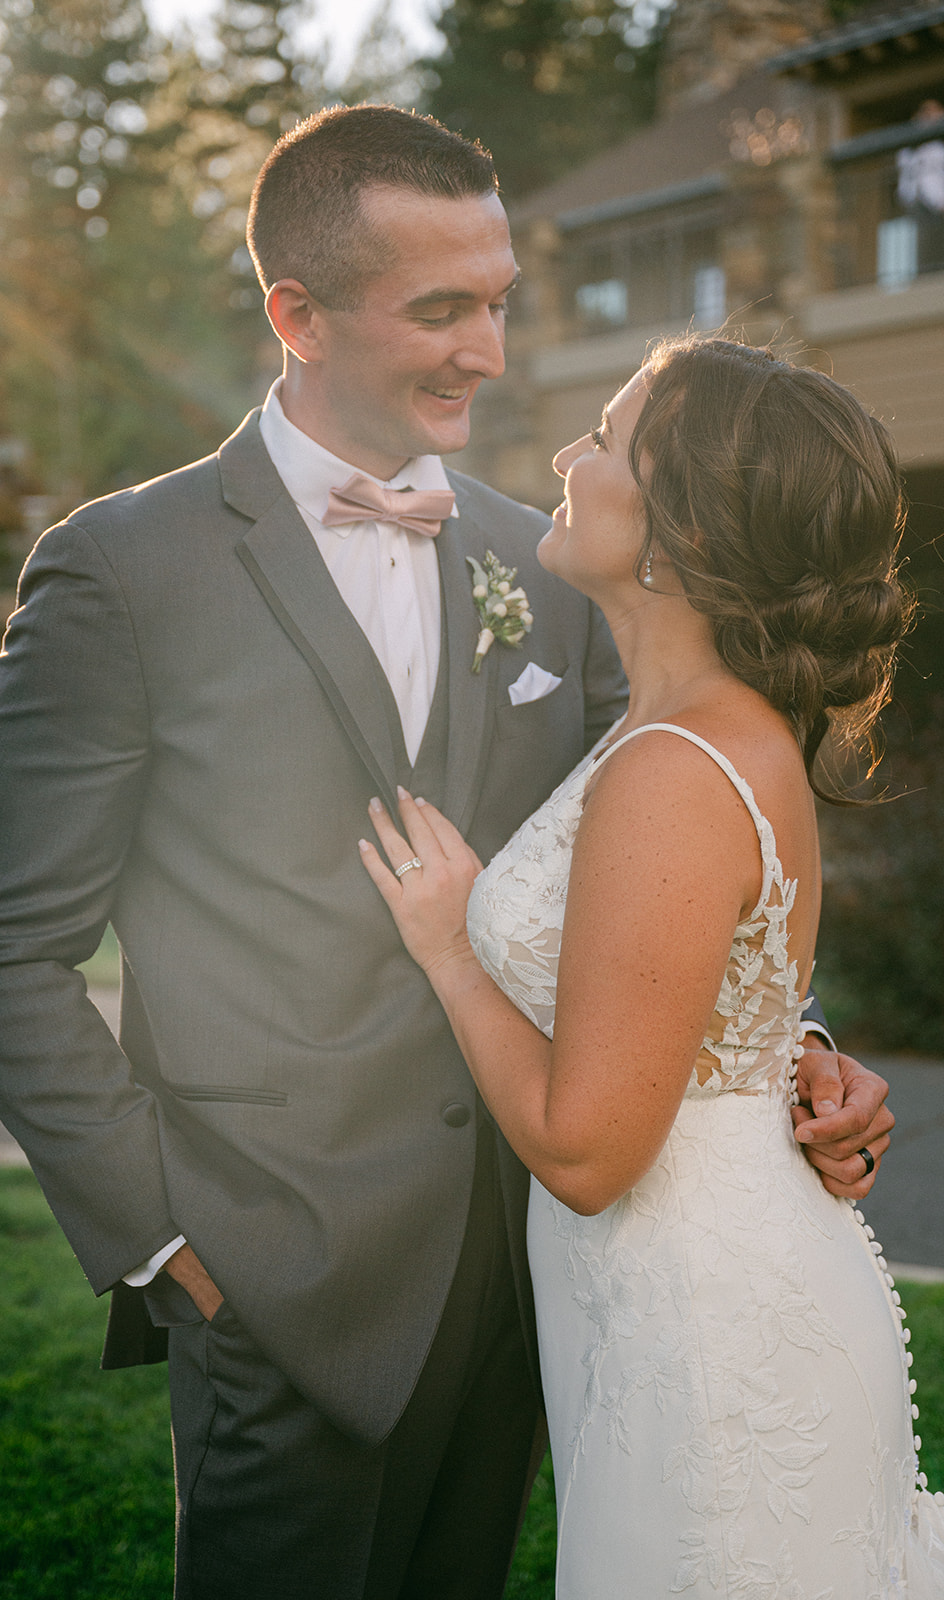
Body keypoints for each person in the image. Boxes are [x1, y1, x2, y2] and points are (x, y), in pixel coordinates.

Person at [0, 106, 890, 1600]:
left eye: (499, 298)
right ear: (296, 315)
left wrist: (793, 1041)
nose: (491, 351)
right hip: (274, 1282)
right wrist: (169, 1245)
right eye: (440, 308)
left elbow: (657, 867)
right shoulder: (123, 572)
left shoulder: (560, 565)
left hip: (534, 1286)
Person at [360, 334, 944, 1596]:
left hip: (702, 1336)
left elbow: (586, 1153)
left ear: (682, 524)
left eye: (608, 438)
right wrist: (808, 1055)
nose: (569, 455)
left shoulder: (672, 769)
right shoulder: (685, 726)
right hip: (683, 1296)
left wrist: (451, 947)